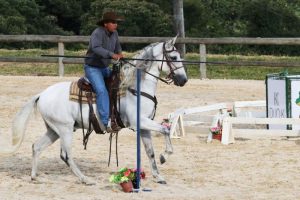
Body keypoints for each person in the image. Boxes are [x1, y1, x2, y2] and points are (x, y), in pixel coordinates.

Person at [84, 11, 124, 131]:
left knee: (120, 84)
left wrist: (120, 54)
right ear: (106, 24)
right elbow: (96, 48)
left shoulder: (115, 33)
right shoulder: (97, 32)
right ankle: (105, 122)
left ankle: (117, 115)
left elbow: (118, 47)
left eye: (116, 22)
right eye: (113, 22)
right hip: (92, 68)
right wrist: (111, 55)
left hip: (105, 68)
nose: (115, 24)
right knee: (101, 91)